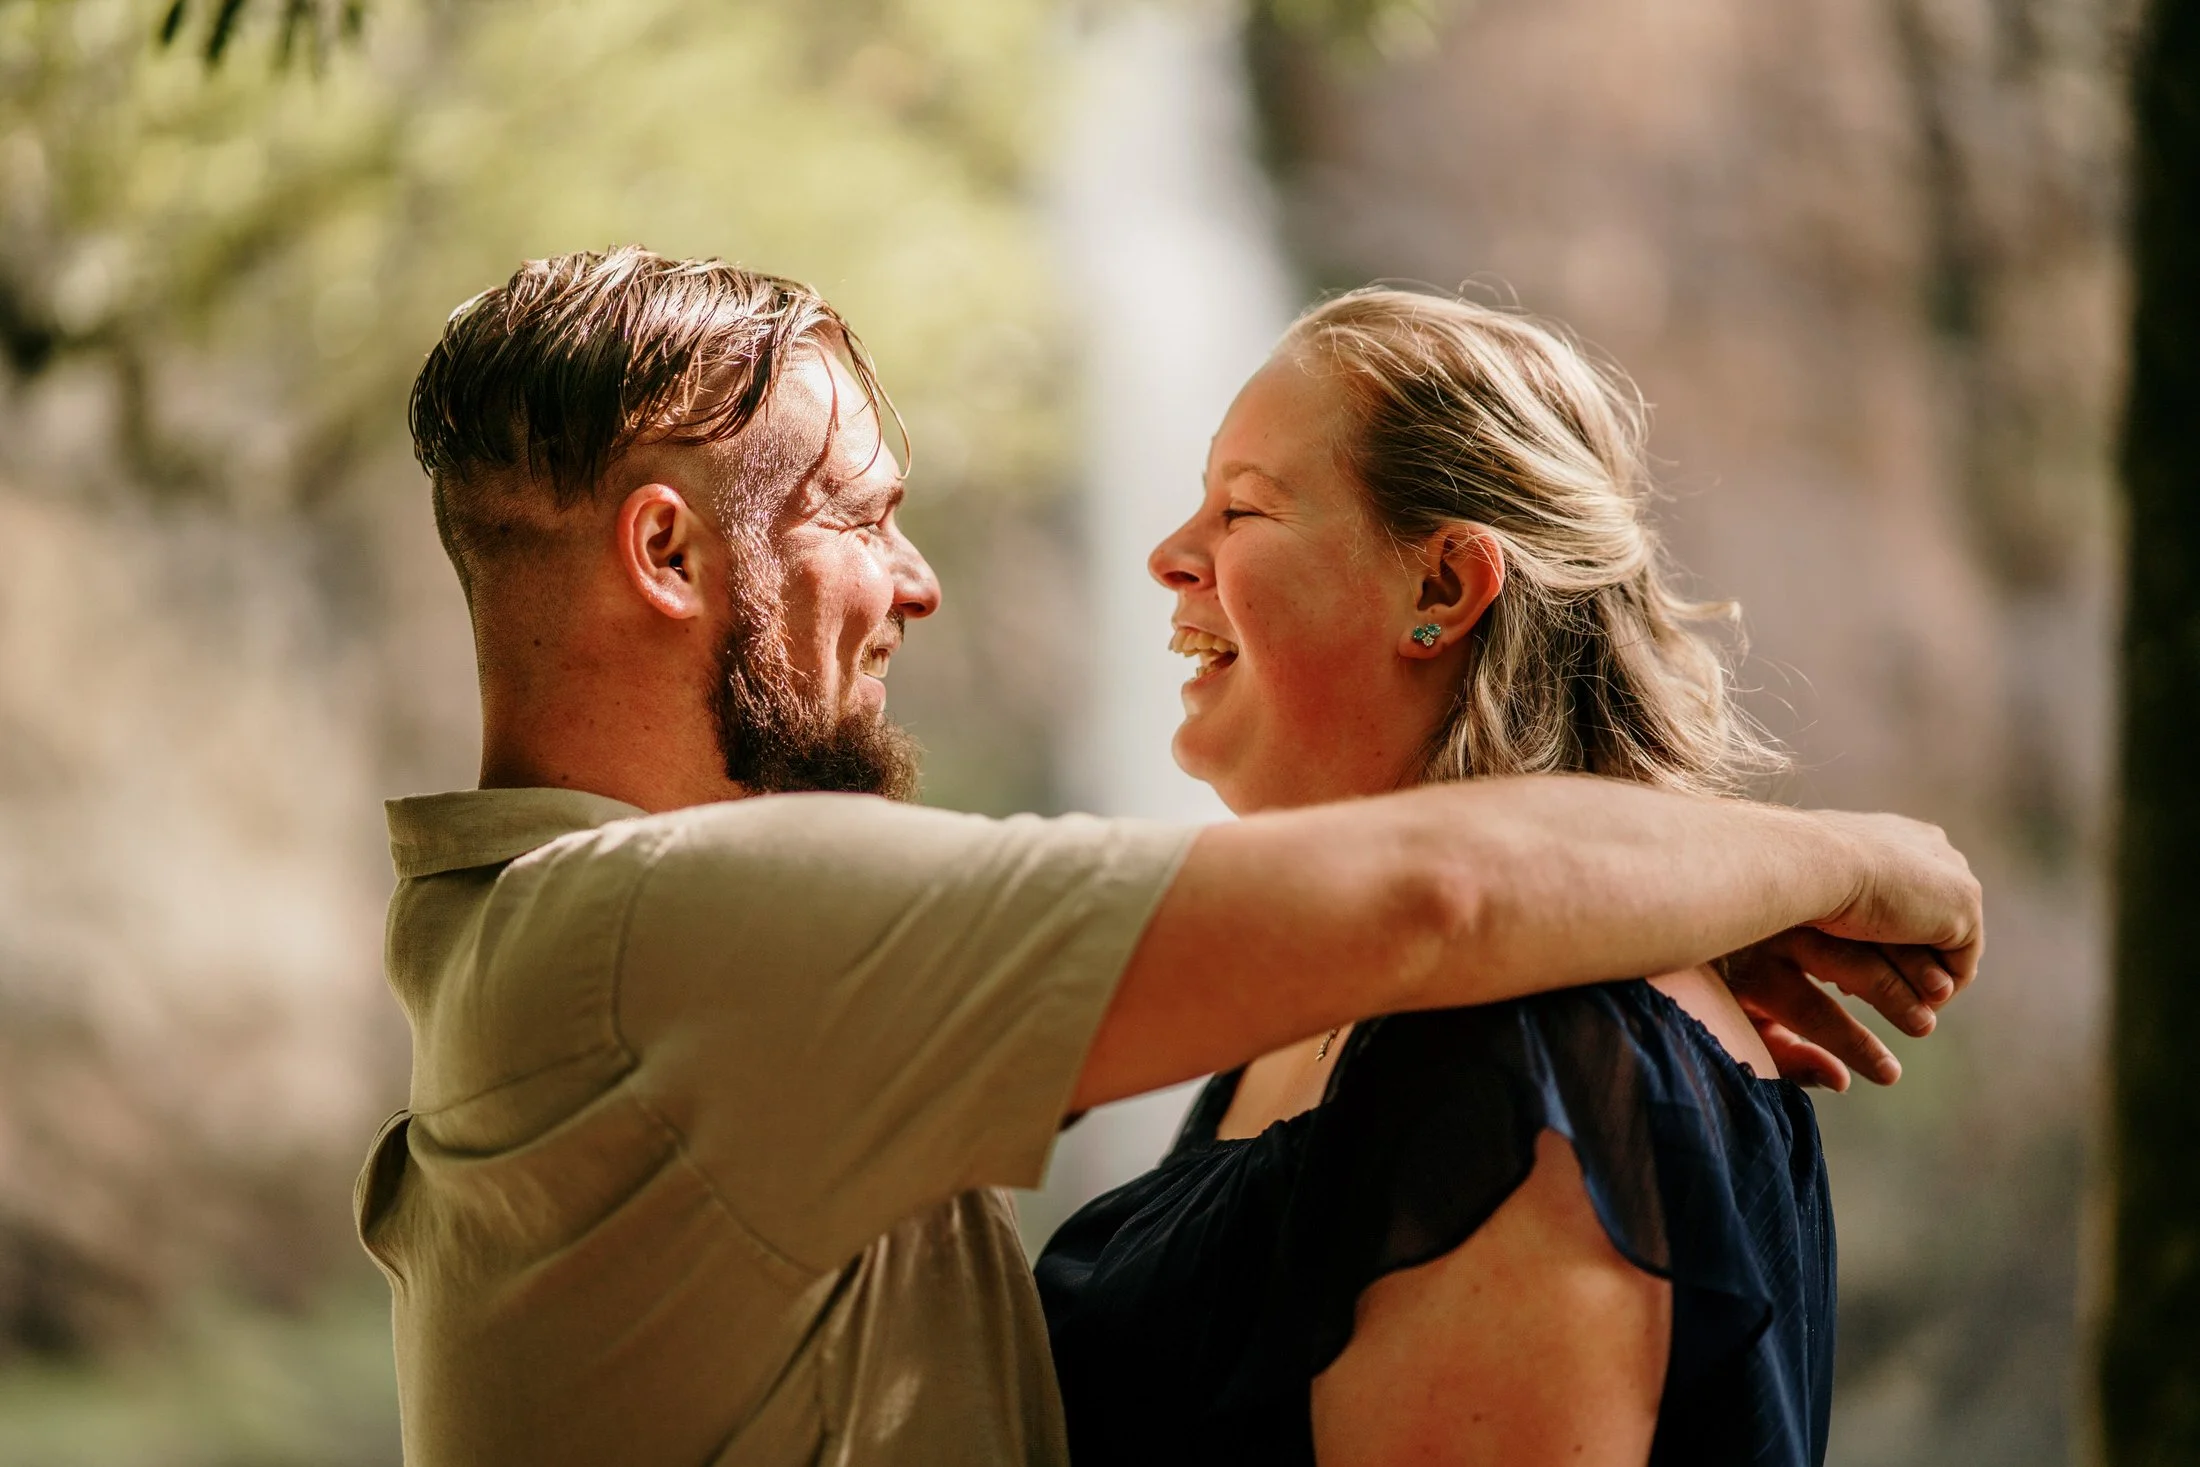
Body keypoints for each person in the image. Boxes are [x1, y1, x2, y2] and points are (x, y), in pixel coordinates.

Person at [356, 248, 1981, 1467]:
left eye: (1244, 509)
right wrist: (1841, 856)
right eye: (858, 512)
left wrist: (1642, 913)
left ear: (1449, 587)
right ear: (666, 549)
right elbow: (1444, 897)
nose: (920, 585)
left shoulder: (561, 965)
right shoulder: (663, 937)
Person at [1035, 288, 1886, 1466]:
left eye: (1239, 509)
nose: (1169, 556)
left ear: (1443, 589)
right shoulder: (1344, 1004)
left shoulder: (1532, 1060)